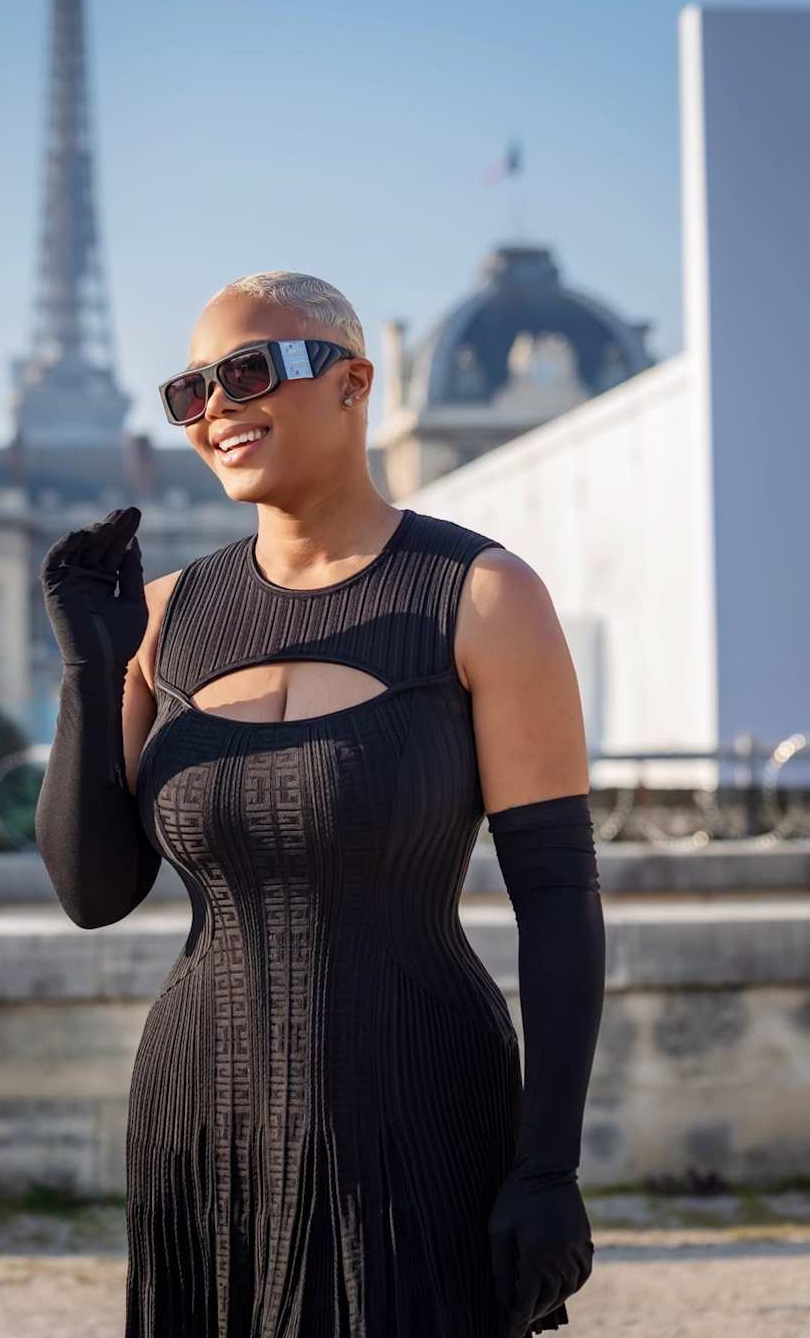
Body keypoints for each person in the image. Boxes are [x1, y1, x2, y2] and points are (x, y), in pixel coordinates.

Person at [35, 271, 606, 1338]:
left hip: (418, 1106)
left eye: (250, 369)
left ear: (353, 384)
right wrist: (89, 672)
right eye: (190, 388)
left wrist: (549, 1166)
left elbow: (560, 899)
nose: (216, 405)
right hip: (197, 1115)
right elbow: (92, 891)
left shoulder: (480, 596)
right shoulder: (165, 617)